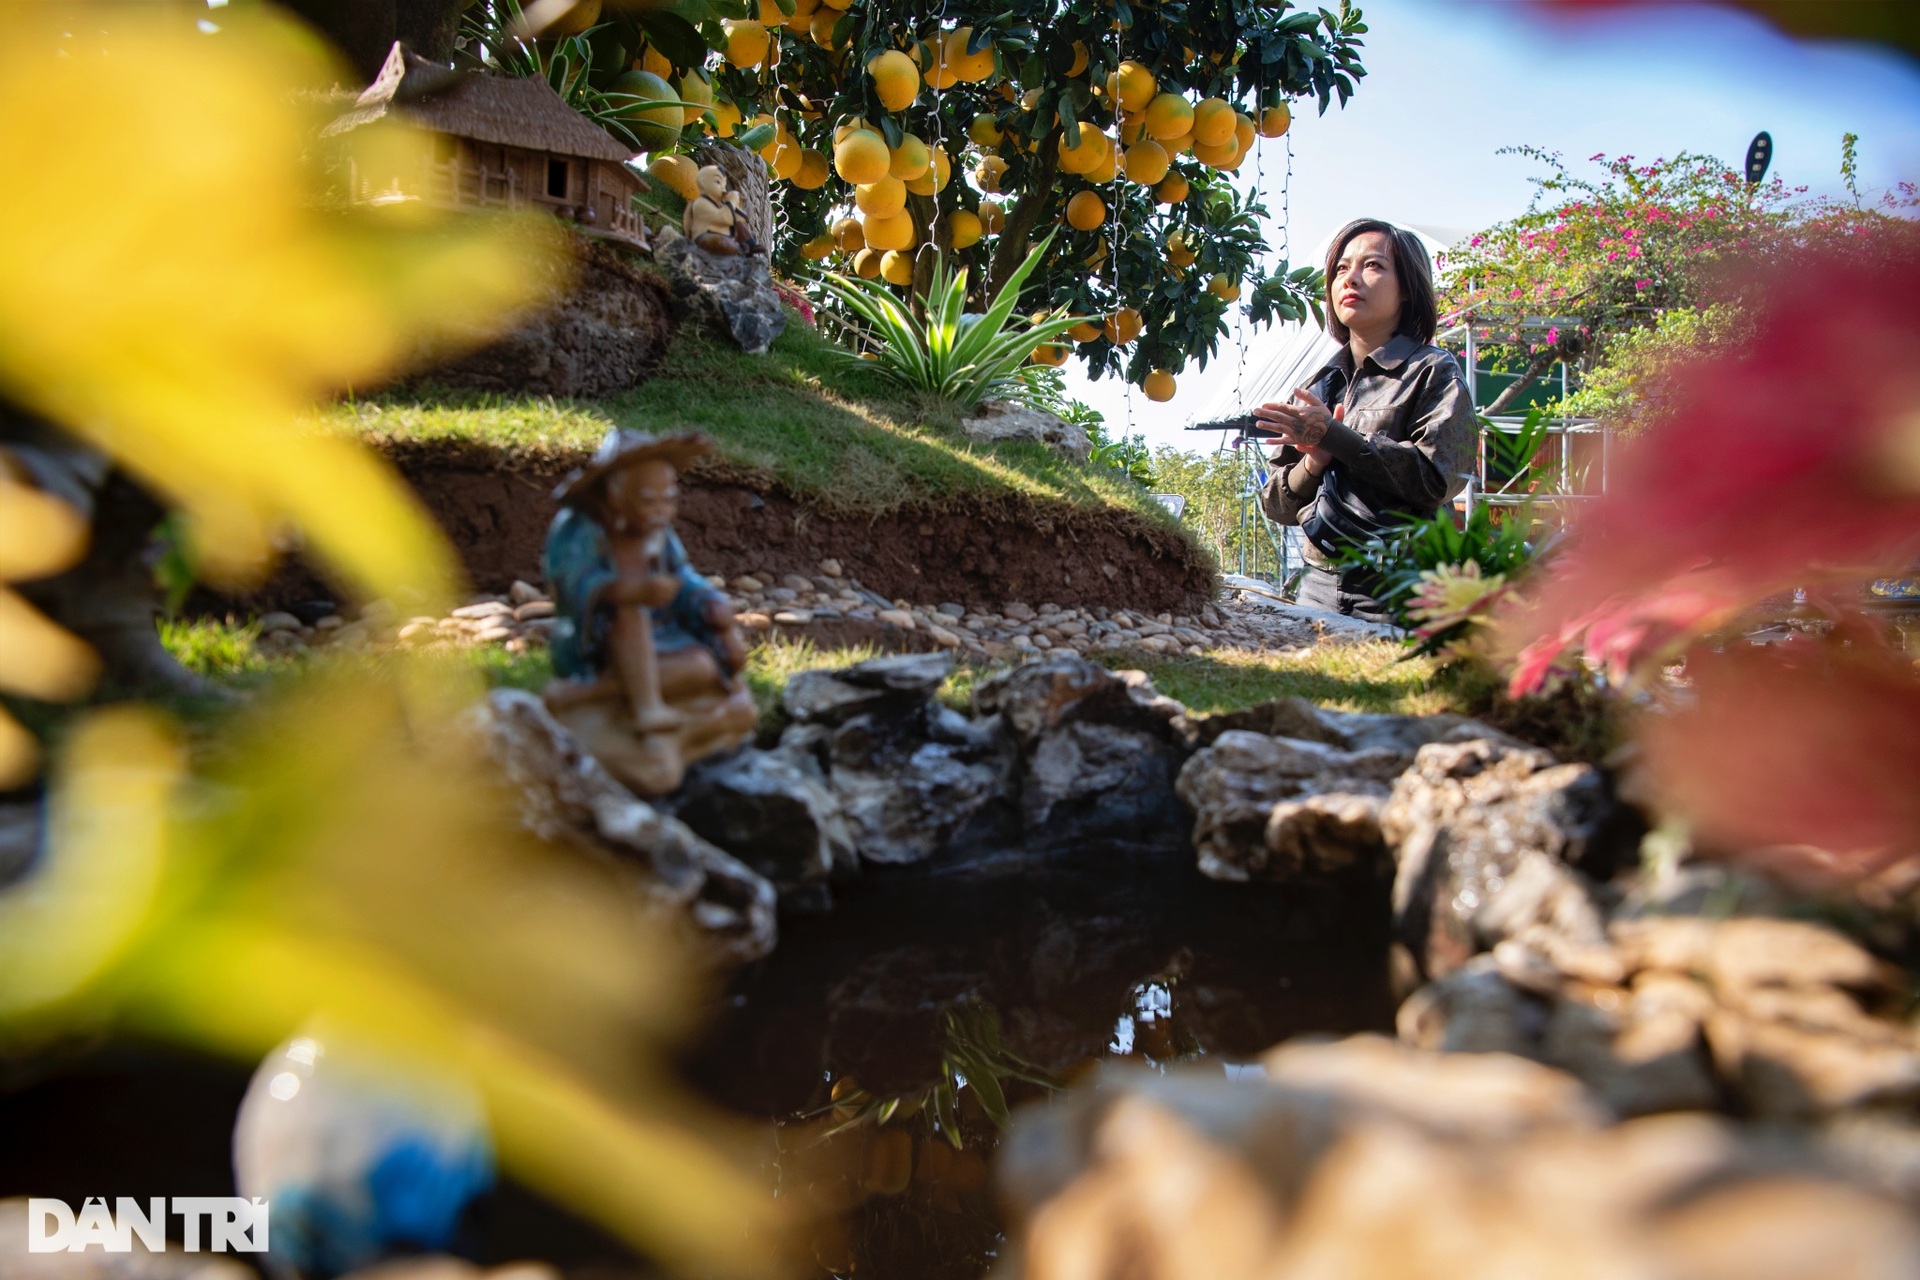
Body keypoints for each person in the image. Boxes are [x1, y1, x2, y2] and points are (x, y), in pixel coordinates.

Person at [1256, 218, 1477, 623]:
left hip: (1401, 588)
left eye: (1372, 265)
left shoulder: (1433, 371)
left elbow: (1439, 479)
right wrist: (1314, 462)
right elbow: (1276, 504)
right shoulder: (1318, 385)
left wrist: (1337, 436)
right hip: (1318, 585)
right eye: (1341, 268)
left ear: (1408, 287)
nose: (1350, 278)